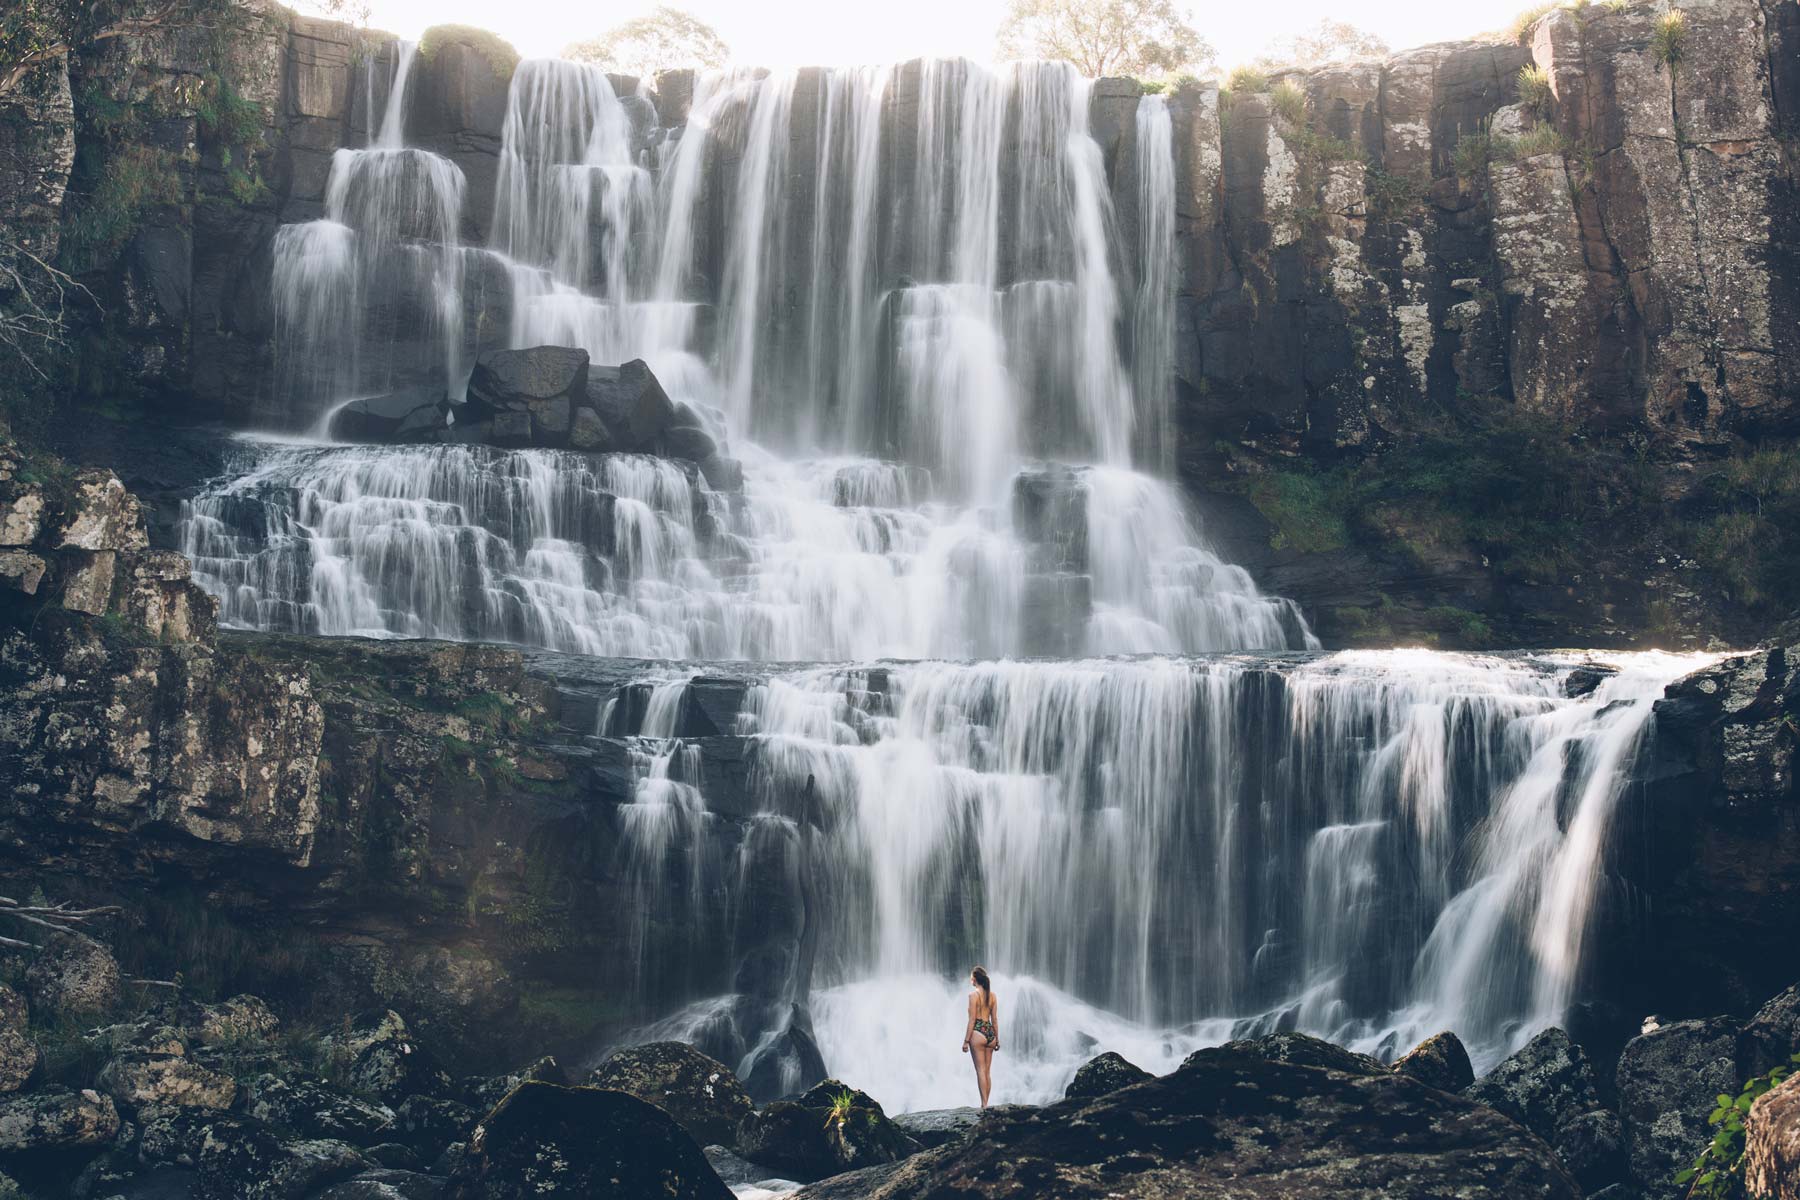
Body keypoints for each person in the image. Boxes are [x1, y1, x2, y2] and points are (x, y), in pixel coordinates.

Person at [961, 965, 1000, 1107]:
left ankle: (984, 1105)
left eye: (971, 977)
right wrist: (997, 1039)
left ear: (975, 979)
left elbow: (972, 1020)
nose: (970, 979)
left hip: (978, 1030)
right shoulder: (993, 996)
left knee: (980, 1071)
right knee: (987, 1072)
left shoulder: (973, 996)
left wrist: (966, 1041)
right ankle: (986, 1103)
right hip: (990, 1032)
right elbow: (994, 1019)